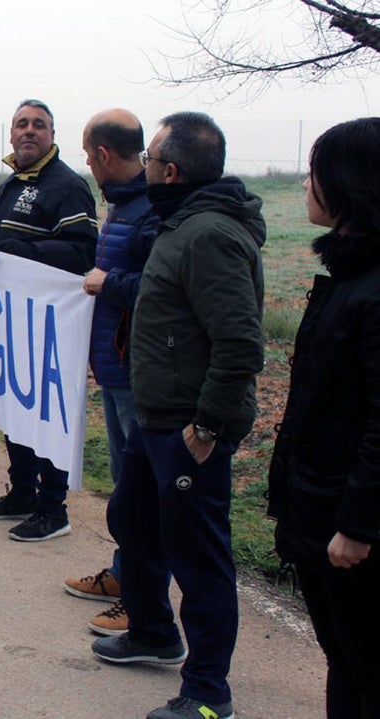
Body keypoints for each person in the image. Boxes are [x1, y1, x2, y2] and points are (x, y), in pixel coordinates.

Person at [91, 112, 265, 719]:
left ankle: (207, 692)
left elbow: (240, 342)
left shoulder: (209, 233)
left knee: (200, 558)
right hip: (156, 416)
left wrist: (210, 425)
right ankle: (152, 632)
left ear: (171, 170)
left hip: (190, 428)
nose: (148, 169)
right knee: (132, 519)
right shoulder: (178, 224)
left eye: (155, 159)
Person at [268, 117, 380, 719]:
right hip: (321, 505)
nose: (307, 185)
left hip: (348, 526)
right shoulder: (349, 278)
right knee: (345, 661)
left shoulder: (371, 291)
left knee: (366, 667)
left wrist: (360, 524)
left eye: (316, 171)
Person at [0, 100, 97, 540]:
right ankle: (23, 491)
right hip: (8, 321)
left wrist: (27, 254)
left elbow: (82, 250)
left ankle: (54, 507)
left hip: (45, 326)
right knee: (15, 412)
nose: (29, 131)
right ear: (10, 134)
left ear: (52, 134)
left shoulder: (66, 185)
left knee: (44, 415)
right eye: (21, 124)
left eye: (39, 125)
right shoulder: (9, 183)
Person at [63, 109, 159, 635]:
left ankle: (143, 600)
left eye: (86, 154)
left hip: (135, 369)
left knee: (138, 493)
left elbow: (161, 286)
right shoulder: (124, 207)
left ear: (101, 155)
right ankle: (125, 576)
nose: (88, 164)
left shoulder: (149, 210)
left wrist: (109, 284)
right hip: (116, 365)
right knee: (127, 488)